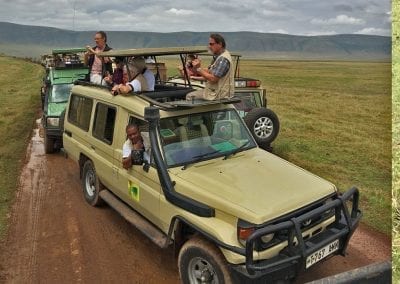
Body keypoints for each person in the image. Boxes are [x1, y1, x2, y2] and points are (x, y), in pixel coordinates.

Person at [186, 33, 234, 101]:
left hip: (219, 94)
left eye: (211, 44)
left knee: (189, 96)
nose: (209, 46)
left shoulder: (223, 59)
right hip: (217, 92)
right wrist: (194, 68)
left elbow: (213, 79)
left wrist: (198, 69)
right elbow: (209, 72)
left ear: (220, 44)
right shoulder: (219, 57)